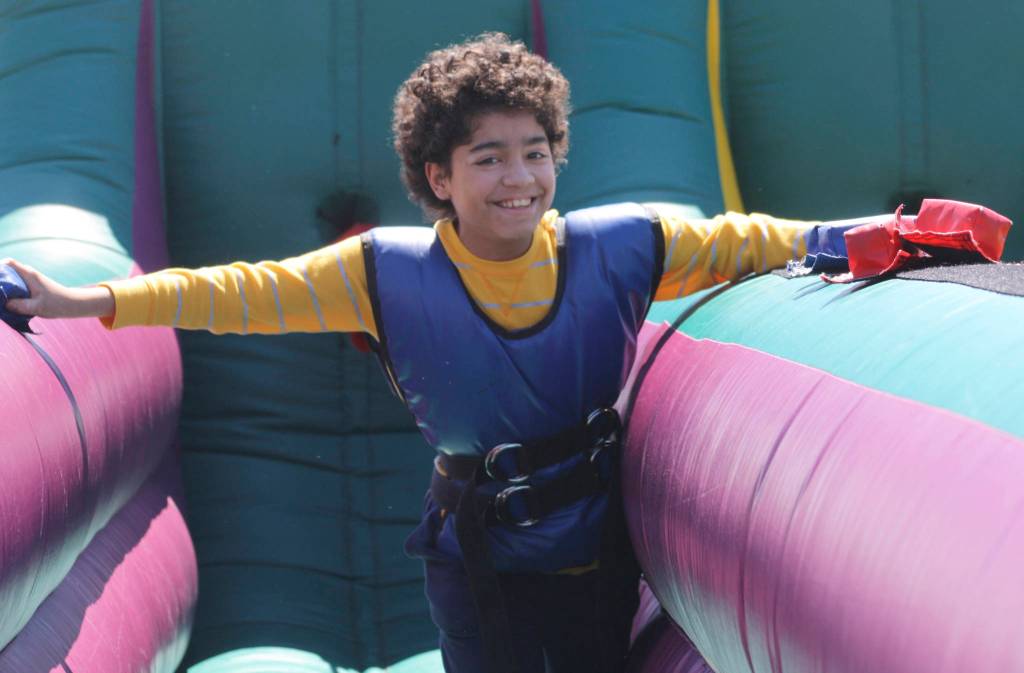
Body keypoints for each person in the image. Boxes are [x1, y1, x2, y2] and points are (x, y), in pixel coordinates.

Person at [3, 33, 816, 673]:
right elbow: (235, 292)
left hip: (594, 550)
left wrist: (858, 239)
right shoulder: (385, 273)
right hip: (479, 560)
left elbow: (747, 242)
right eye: (488, 158)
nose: (518, 178)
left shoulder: (623, 244)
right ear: (440, 175)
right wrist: (85, 299)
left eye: (535, 152)